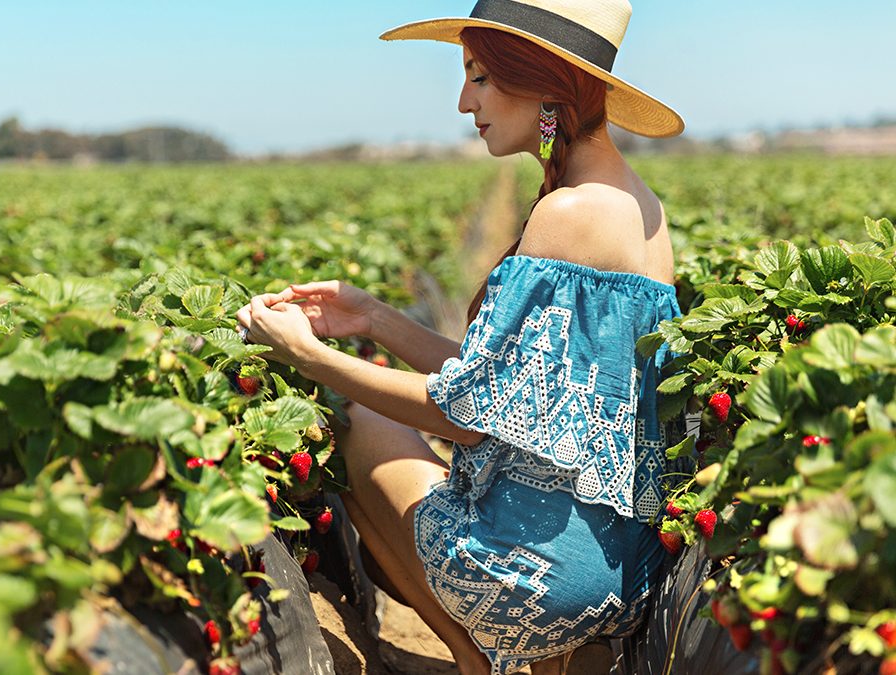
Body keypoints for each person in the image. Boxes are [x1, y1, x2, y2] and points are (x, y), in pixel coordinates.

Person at [235, 1, 684, 673]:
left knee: (353, 419)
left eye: (478, 76)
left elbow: (464, 416)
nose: (461, 102)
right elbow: (511, 390)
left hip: (539, 579)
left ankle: (472, 655)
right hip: (619, 572)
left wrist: (309, 355)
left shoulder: (570, 211)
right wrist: (373, 319)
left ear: (544, 83)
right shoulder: (638, 203)